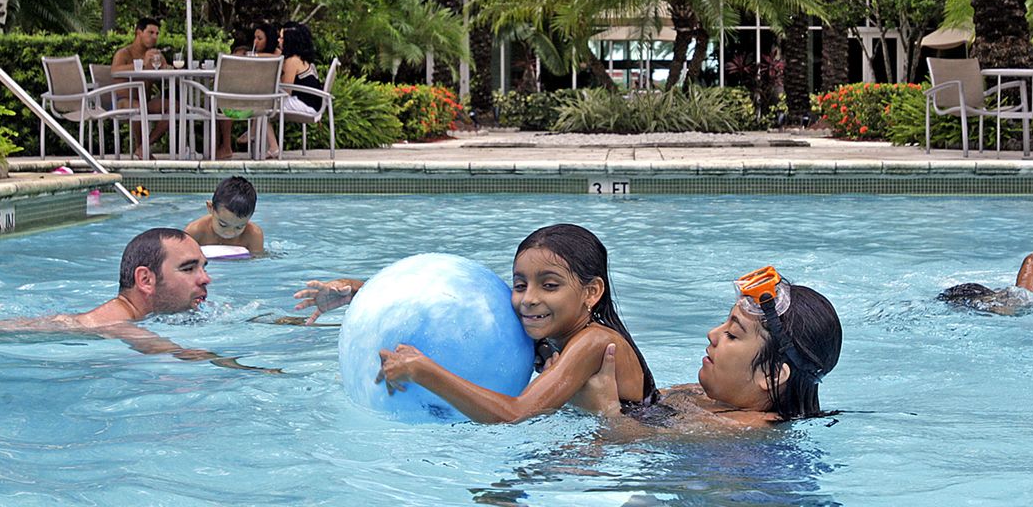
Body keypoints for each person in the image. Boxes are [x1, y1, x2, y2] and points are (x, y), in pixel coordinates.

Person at [299, 224, 657, 423]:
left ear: (591, 292)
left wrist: (425, 371)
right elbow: (452, 303)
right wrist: (357, 293)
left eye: (549, 285)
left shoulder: (594, 342)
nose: (528, 298)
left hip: (648, 440)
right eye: (520, 285)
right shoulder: (544, 325)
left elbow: (517, 414)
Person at [577, 266, 842, 430]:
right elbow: (646, 402)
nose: (713, 334)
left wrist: (604, 409)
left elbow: (629, 441)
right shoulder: (703, 396)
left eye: (733, 334)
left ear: (771, 375)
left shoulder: (745, 430)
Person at [0, 228, 279, 372]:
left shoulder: (133, 316)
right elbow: (177, 352)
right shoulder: (117, 324)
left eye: (203, 267)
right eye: (189, 269)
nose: (205, 279)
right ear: (145, 280)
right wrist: (253, 370)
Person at [111, 16, 169, 158]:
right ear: (139, 33)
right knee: (138, 107)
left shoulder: (155, 55)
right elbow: (115, 71)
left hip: (146, 101)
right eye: (150, 32)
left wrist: (166, 68)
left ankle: (145, 146)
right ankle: (140, 147)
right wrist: (142, 63)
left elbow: (165, 75)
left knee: (174, 107)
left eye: (157, 33)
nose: (155, 37)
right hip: (124, 101)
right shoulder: (124, 53)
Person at [262, 21, 322, 158]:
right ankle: (254, 133)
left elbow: (286, 90)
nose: (278, 40)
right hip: (312, 103)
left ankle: (273, 147)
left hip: (305, 104)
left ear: (290, 40)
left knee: (262, 107)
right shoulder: (302, 58)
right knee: (263, 105)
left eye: (282, 37)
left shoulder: (292, 61)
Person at [184, 175, 265, 255]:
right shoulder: (195, 232)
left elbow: (256, 263)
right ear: (210, 208)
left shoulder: (253, 235)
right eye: (223, 225)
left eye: (239, 227)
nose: (230, 233)